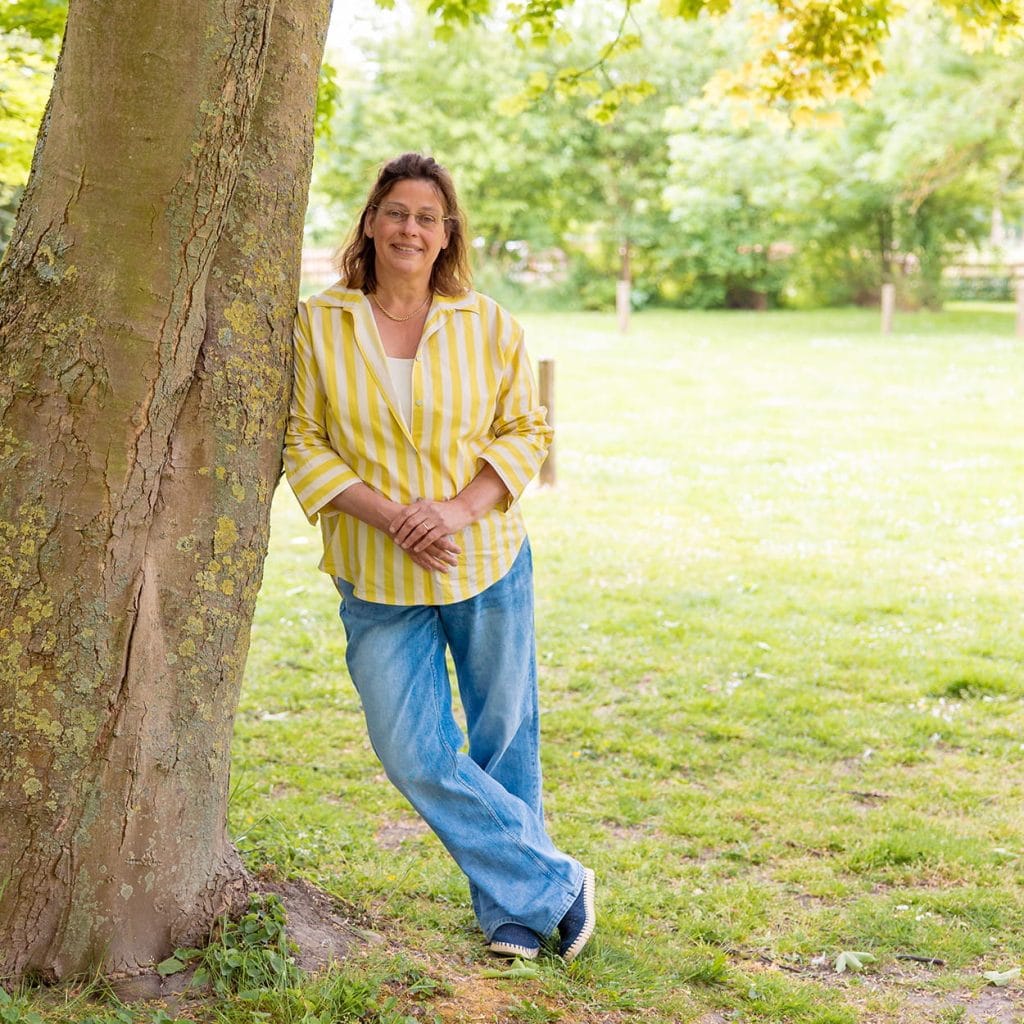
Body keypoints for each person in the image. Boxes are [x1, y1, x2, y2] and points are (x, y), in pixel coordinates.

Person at [283, 152, 595, 962]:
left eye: (427, 216)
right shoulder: (318, 323)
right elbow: (300, 442)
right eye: (396, 212)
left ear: (447, 231)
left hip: (484, 558)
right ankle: (555, 882)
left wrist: (456, 509)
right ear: (370, 222)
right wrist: (392, 516)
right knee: (412, 748)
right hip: (375, 568)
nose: (410, 228)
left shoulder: (487, 323)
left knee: (502, 738)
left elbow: (527, 429)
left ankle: (516, 916)